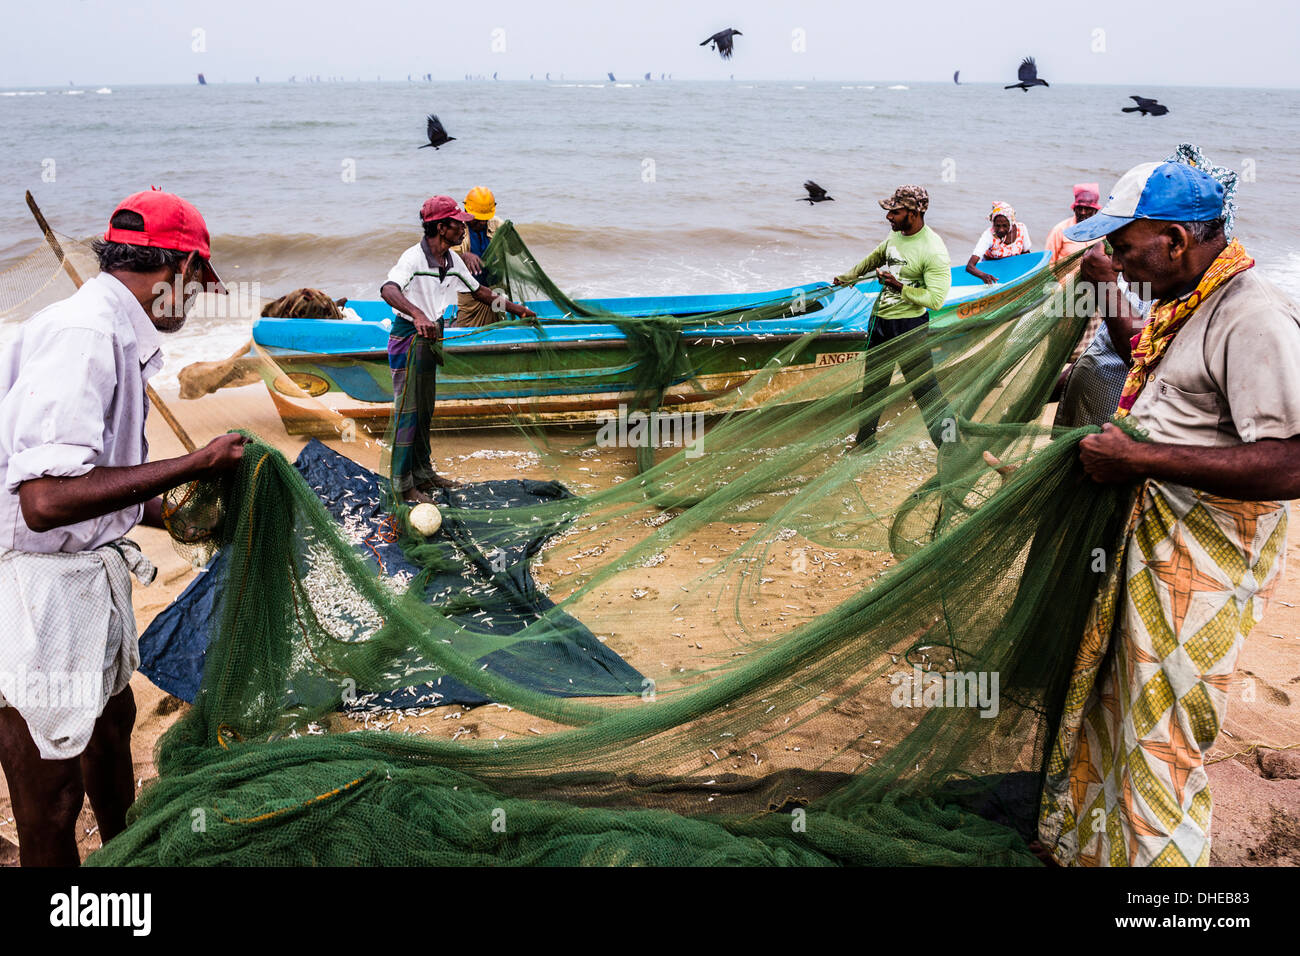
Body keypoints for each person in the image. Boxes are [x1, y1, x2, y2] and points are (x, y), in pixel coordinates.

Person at [1037, 161, 1300, 867]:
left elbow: (1290, 462)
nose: (1120, 258)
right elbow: (1157, 376)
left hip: (1202, 567)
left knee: (1164, 734)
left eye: (1127, 246)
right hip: (1152, 545)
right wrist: (1108, 292)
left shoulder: (1253, 316)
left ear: (1178, 239)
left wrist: (1139, 461)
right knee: (1118, 708)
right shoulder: (1184, 298)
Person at [0, 190, 248, 866]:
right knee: (50, 797)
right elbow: (45, 500)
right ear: (173, 268)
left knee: (110, 733)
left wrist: (169, 512)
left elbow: (92, 483)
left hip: (85, 568)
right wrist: (192, 462)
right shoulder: (86, 335)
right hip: (32, 587)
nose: (196, 300)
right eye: (198, 283)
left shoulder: (117, 334)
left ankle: (125, 862)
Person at [380, 195, 535, 502]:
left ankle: (423, 474)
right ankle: (402, 486)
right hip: (408, 338)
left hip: (431, 338)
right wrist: (418, 314)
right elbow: (389, 289)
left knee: (425, 410)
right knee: (407, 412)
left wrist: (517, 310)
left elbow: (480, 292)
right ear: (440, 228)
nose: (463, 228)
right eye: (456, 223)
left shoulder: (453, 261)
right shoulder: (413, 258)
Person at [831, 185, 953, 449]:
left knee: (925, 392)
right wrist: (847, 277)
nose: (888, 217)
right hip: (881, 323)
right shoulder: (895, 236)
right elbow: (876, 256)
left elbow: (936, 299)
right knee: (873, 387)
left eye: (894, 212)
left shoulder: (933, 249)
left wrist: (899, 286)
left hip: (909, 328)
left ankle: (950, 449)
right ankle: (865, 442)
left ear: (914, 212)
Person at [450, 186, 507, 328]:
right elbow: (443, 256)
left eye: (485, 219)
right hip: (470, 293)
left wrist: (511, 238)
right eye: (477, 219)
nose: (482, 223)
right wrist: (463, 256)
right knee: (466, 331)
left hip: (496, 289)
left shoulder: (498, 225)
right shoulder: (456, 228)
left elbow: (514, 252)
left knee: (499, 325)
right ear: (466, 211)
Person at [965, 201, 1032, 284]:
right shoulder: (989, 235)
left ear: (1010, 223)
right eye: (997, 225)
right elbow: (970, 266)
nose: (1001, 230)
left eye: (1005, 225)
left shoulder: (1021, 229)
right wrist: (983, 275)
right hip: (992, 273)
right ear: (993, 223)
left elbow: (1026, 254)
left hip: (1013, 271)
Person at [1044, 183, 1102, 263]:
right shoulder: (1060, 230)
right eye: (1079, 208)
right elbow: (1048, 263)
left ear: (1095, 211)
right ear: (1074, 209)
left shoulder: (1103, 233)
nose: (1083, 212)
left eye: (1087, 209)